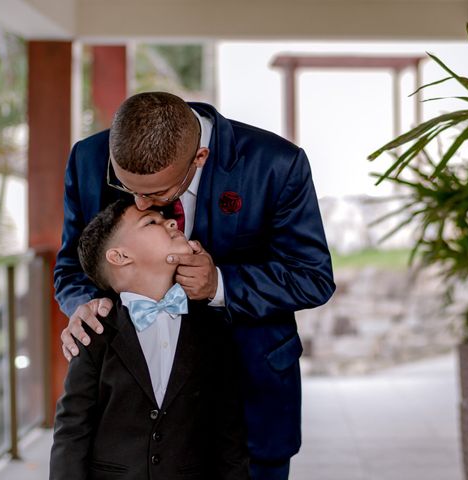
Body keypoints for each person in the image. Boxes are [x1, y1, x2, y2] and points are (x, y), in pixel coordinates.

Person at [54, 91, 336, 479]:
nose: (138, 203)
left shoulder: (276, 164)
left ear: (199, 158)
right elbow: (72, 265)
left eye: (154, 194)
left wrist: (221, 283)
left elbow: (313, 277)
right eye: (126, 187)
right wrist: (84, 305)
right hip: (130, 419)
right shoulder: (88, 159)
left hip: (249, 385)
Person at [50, 198, 250, 480]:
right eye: (152, 222)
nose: (170, 222)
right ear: (120, 257)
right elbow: (72, 429)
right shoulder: (94, 332)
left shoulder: (213, 328)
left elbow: (229, 433)